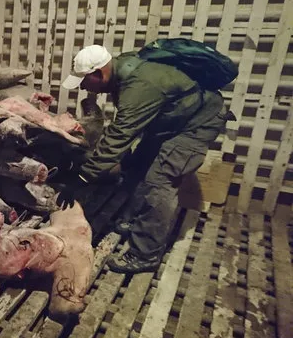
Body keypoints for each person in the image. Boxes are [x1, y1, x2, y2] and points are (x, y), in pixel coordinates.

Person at [60, 44, 232, 274]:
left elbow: (119, 136)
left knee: (159, 182)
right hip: (172, 120)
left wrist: (82, 178)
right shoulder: (122, 68)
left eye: (84, 80)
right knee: (139, 164)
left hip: (196, 124)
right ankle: (137, 221)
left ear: (99, 74)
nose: (83, 87)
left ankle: (145, 254)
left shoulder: (139, 87)